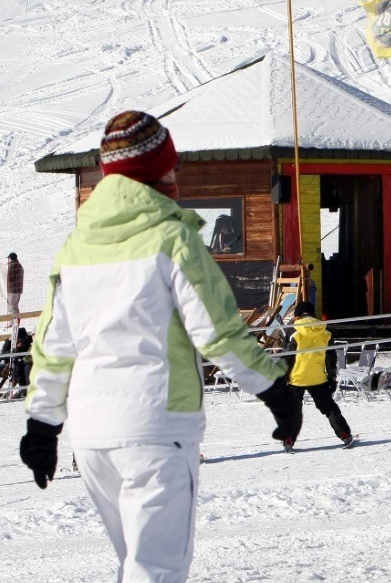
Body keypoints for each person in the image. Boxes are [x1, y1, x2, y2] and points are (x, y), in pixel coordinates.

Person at [19, 110, 302, 583]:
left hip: (90, 438)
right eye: (171, 166)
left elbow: (53, 346)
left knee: (134, 566)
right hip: (156, 428)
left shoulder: (76, 248)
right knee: (157, 571)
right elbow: (217, 333)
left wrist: (43, 424)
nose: (177, 174)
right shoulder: (174, 240)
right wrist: (275, 390)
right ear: (155, 173)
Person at [282, 301, 354, 449]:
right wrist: (331, 375)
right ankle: (345, 435)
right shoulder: (325, 330)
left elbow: (287, 357)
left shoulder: (292, 331)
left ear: (297, 316)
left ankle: (288, 440)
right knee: (329, 408)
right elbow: (330, 356)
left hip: (297, 377)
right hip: (318, 377)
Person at [6, 252, 23, 321]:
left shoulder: (13, 266)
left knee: (11, 307)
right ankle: (16, 322)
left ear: (10, 258)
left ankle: (14, 323)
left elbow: (9, 278)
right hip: (18, 290)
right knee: (15, 307)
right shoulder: (19, 265)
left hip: (12, 290)